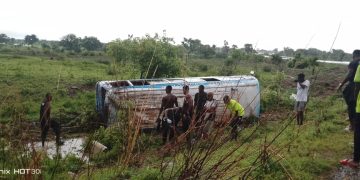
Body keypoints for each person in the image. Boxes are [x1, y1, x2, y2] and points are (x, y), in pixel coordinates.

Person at [340, 50, 360, 168]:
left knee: (358, 130)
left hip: (358, 103)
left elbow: (353, 81)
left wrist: (341, 85)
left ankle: (356, 160)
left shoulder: (355, 63)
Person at [338, 50, 360, 131]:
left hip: (354, 85)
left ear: (354, 55)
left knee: (351, 105)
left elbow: (349, 74)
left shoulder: (353, 63)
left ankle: (352, 126)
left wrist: (341, 84)